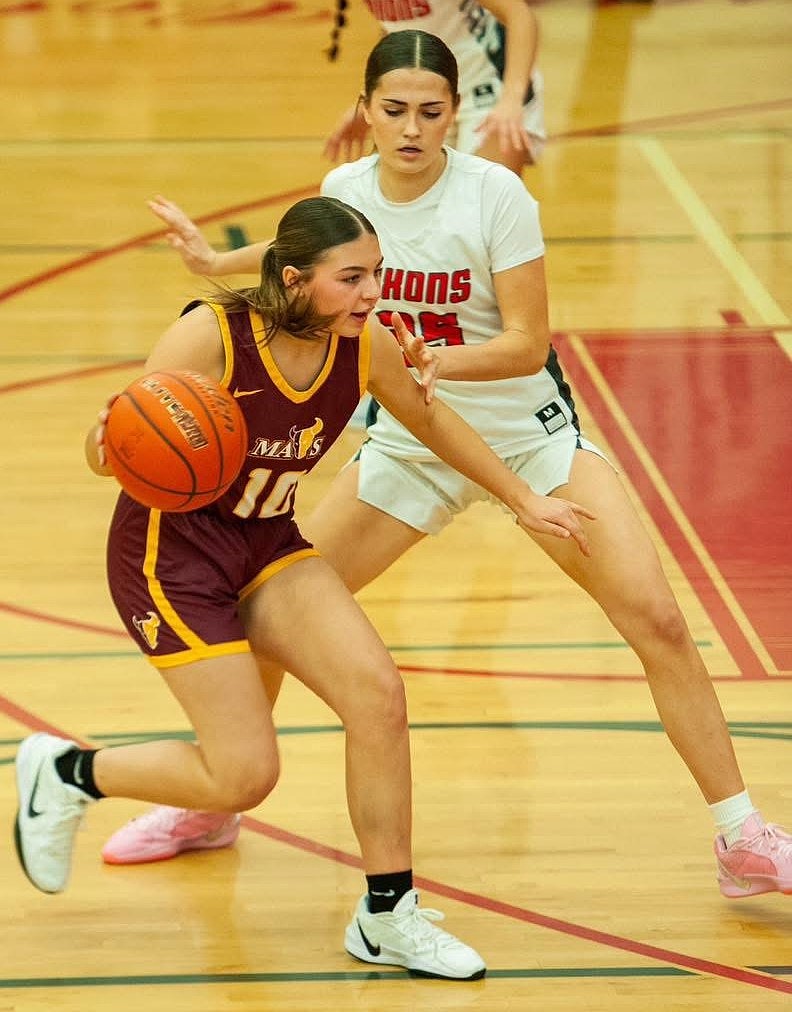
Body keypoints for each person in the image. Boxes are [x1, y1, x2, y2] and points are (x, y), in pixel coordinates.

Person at [102, 30, 792, 900]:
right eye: (394, 110)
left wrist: (431, 366)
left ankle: (740, 837)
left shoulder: (495, 195)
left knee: (654, 617)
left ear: (456, 114)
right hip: (405, 446)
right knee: (272, 605)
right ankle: (217, 801)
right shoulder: (345, 190)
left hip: (523, 438)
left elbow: (527, 343)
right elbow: (301, 267)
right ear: (366, 112)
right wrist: (215, 263)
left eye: (432, 111)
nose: (413, 128)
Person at [13, 195, 596, 980]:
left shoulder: (366, 344)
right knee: (245, 777)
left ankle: (388, 913)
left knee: (378, 695)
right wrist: (113, 433)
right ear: (293, 280)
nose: (372, 293)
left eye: (377, 273)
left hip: (266, 541)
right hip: (171, 559)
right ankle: (67, 772)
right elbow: (111, 444)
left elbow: (436, 423)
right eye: (352, 277)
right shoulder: (210, 334)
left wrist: (524, 499)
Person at [323, 0, 544, 173]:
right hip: (426, 95)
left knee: (483, 210)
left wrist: (511, 99)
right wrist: (373, 99)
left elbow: (520, 16)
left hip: (490, 86)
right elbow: (399, 31)